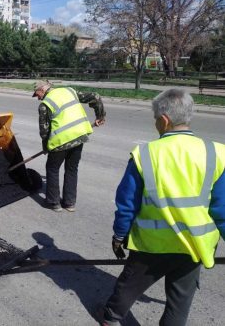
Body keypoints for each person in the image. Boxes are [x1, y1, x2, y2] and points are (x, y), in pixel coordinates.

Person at [97, 89, 225, 326]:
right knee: (180, 301)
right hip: (194, 246)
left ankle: (112, 318)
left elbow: (127, 202)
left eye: (155, 118)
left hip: (151, 245)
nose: (155, 123)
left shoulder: (146, 154)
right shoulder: (216, 153)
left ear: (164, 120)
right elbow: (223, 209)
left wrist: (119, 235)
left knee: (129, 285)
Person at [32, 80, 105, 212]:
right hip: (79, 137)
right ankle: (69, 203)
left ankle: (53, 202)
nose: (37, 98)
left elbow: (44, 132)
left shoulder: (45, 104)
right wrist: (100, 116)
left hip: (61, 142)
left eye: (37, 94)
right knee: (72, 169)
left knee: (52, 168)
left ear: (42, 90)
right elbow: (95, 96)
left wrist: (46, 147)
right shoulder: (69, 91)